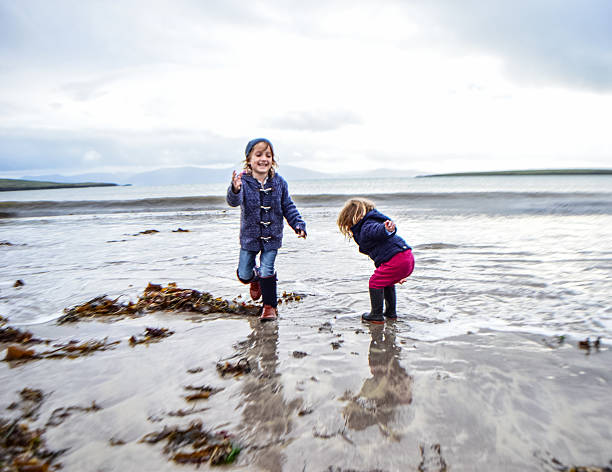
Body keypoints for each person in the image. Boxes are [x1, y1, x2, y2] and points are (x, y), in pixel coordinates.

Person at [227, 138, 307, 321]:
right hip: (250, 237)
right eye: (259, 155)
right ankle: (255, 280)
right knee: (244, 274)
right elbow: (233, 202)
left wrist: (298, 224)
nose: (263, 159)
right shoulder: (244, 182)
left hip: (273, 236)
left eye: (268, 155)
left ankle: (269, 307)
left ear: (273, 160)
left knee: (267, 269)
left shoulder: (279, 182)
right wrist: (235, 189)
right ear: (249, 159)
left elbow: (288, 206)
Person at [337, 198, 414, 324]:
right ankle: (390, 313)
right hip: (406, 257)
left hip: (397, 258)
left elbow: (376, 230)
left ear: (354, 216)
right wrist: (397, 274)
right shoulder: (370, 223)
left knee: (375, 282)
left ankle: (376, 315)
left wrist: (385, 229)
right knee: (386, 282)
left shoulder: (367, 224)